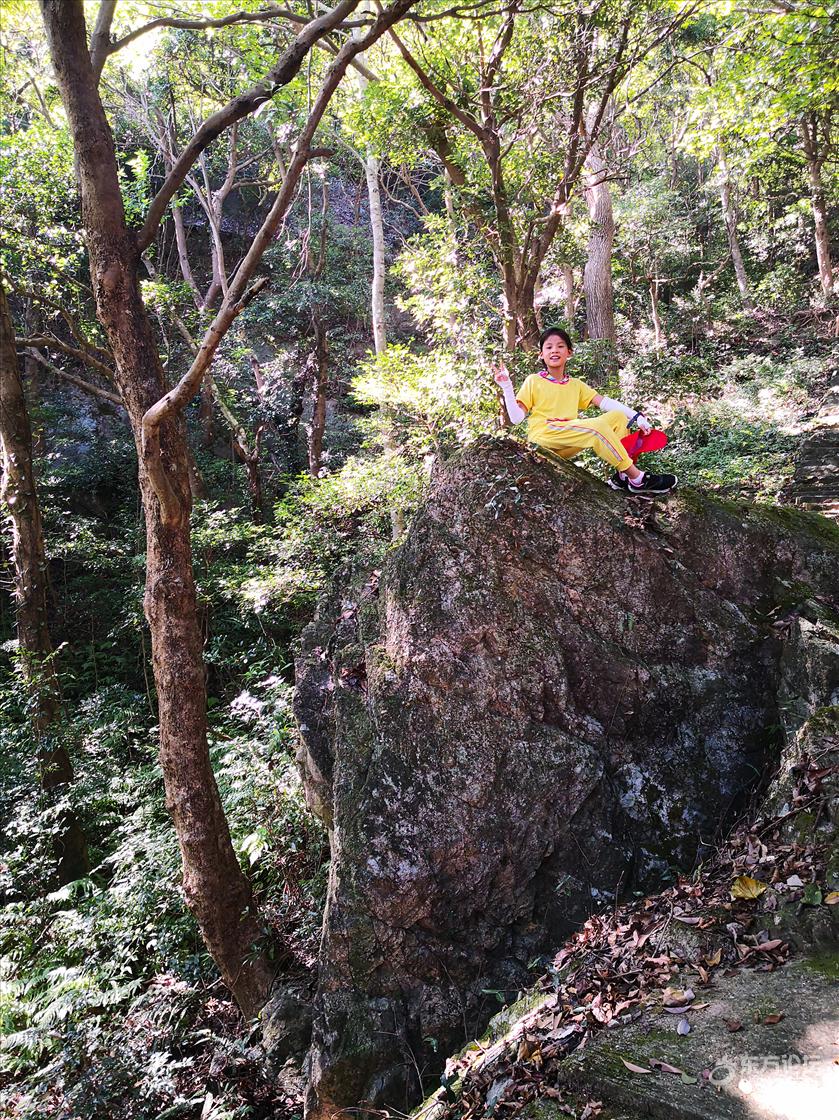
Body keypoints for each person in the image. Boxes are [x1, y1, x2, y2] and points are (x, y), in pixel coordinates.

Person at [493, 327, 677, 494]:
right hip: (544, 437)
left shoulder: (575, 385)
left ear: (569, 352)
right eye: (548, 347)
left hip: (568, 439)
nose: (554, 350)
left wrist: (637, 417)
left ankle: (623, 478)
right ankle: (637, 479)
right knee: (596, 427)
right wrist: (507, 387)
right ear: (541, 355)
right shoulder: (534, 380)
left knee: (618, 417)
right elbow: (517, 418)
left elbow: (604, 402)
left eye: (560, 346)